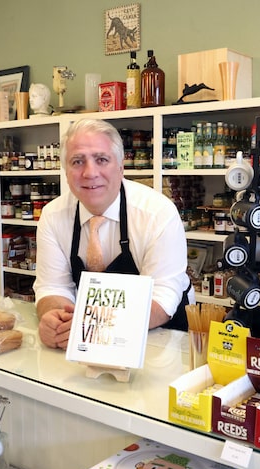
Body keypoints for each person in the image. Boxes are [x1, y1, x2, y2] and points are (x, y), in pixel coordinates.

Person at [34, 118, 191, 349]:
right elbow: (53, 287)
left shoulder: (157, 213)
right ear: (66, 172)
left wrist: (93, 326)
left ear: (120, 167)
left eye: (101, 159)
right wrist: (56, 319)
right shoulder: (52, 216)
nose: (90, 173)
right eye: (77, 161)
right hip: (86, 338)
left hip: (159, 338)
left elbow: (162, 296)